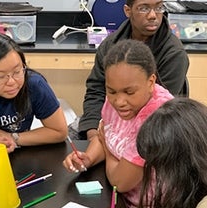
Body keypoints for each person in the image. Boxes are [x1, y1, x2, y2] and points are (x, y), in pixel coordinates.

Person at [63, 39, 173, 208]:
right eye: (111, 91)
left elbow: (120, 182)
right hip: (119, 198)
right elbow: (105, 133)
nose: (119, 101)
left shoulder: (158, 119)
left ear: (151, 82)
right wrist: (89, 158)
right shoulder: (117, 98)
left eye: (129, 92)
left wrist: (107, 149)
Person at [77, 0, 189, 140]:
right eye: (144, 8)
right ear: (127, 11)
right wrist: (93, 132)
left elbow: (159, 110)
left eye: (159, 7)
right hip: (111, 127)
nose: (153, 15)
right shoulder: (109, 45)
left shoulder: (174, 54)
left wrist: (118, 142)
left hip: (152, 133)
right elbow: (96, 91)